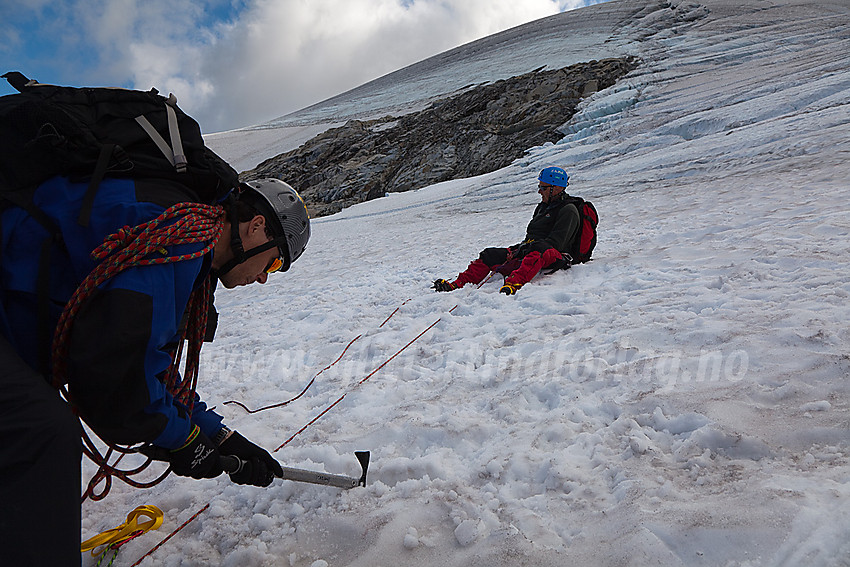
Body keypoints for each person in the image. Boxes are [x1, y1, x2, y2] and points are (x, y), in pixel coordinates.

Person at [0, 174, 309, 566]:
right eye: (277, 260)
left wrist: (218, 435)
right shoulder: (174, 243)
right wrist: (184, 439)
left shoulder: (182, 238)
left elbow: (147, 362)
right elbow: (119, 381)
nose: (265, 275)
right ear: (256, 227)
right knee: (41, 435)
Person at [433, 166, 580, 295]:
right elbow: (532, 237)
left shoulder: (568, 210)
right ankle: (458, 284)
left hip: (556, 255)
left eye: (544, 188)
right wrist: (518, 249)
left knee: (539, 248)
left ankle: (514, 283)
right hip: (533, 249)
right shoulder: (543, 207)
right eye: (540, 186)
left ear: (557, 188)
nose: (539, 191)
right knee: (490, 254)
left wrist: (525, 249)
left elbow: (556, 244)